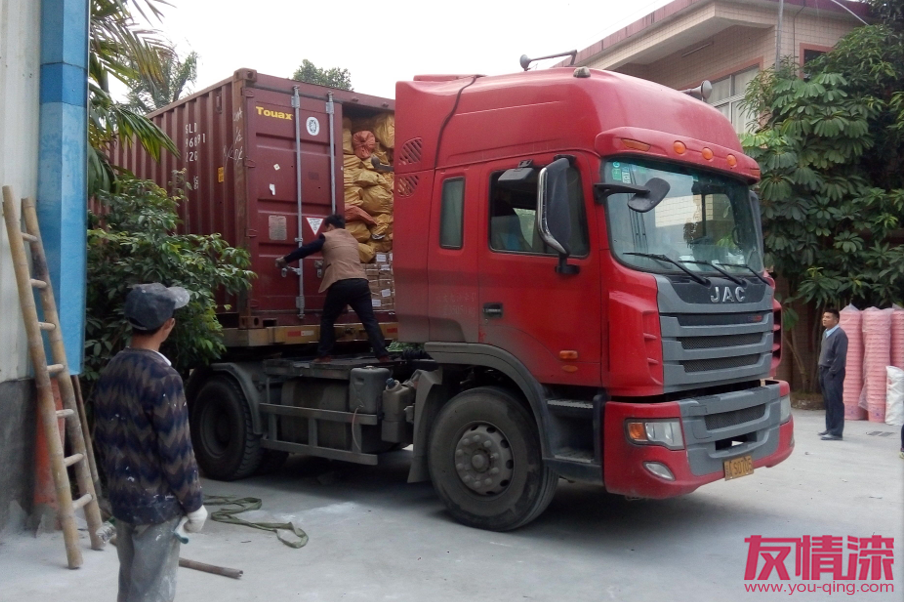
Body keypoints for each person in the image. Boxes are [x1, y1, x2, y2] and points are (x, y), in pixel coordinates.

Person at [93, 283, 207, 602]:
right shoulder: (163, 377)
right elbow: (177, 451)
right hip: (157, 507)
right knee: (152, 592)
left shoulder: (112, 367)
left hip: (123, 499)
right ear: (168, 325)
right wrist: (194, 504)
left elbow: (102, 437)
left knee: (130, 586)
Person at [276, 214, 389, 363]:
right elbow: (340, 257)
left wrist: (285, 259)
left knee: (328, 319)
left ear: (330, 226)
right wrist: (323, 264)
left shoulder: (327, 237)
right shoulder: (352, 240)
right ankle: (383, 355)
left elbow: (306, 249)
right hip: (361, 282)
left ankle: (324, 355)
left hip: (341, 282)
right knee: (369, 320)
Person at [817, 308, 848, 441]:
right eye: (824, 317)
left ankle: (836, 432)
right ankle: (829, 428)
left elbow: (840, 356)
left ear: (836, 320)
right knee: (828, 401)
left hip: (833, 372)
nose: (824, 319)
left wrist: (832, 372)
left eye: (828, 317)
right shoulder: (826, 333)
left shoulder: (840, 335)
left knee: (835, 401)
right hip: (823, 370)